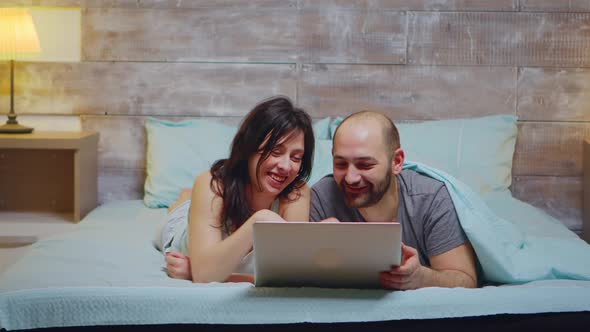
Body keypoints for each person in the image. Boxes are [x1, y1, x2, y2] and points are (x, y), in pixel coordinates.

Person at [311, 111, 478, 290]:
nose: (351, 178)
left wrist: (421, 278)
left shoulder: (430, 198)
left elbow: (466, 280)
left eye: (365, 165)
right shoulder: (322, 197)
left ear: (397, 162)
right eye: (341, 164)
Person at [160, 96, 314, 283]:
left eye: (296, 158)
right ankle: (185, 199)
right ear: (249, 147)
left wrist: (194, 272)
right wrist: (259, 220)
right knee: (181, 207)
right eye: (275, 151)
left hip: (213, 213)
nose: (286, 166)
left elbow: (290, 276)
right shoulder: (211, 185)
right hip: (181, 229)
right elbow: (206, 275)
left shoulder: (297, 193)